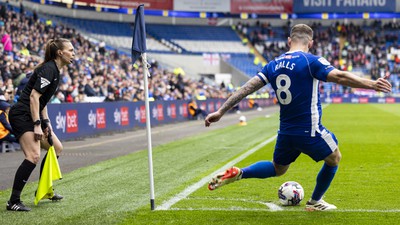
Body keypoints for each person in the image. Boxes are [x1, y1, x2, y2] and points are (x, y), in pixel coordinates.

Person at [205, 24, 392, 211]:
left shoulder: (273, 64)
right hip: (309, 129)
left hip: (285, 131)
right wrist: (372, 84)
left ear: (289, 41)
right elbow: (340, 77)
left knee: (278, 169)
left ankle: (240, 173)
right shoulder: (311, 61)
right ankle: (315, 201)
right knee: (334, 158)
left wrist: (220, 111)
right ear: (310, 43)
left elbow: (246, 88)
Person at [6, 38, 75, 211]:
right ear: (60, 52)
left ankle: (44, 189)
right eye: (71, 50)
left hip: (33, 114)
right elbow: (33, 97)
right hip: (22, 114)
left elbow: (42, 102)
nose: (74, 53)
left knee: (56, 147)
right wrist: (37, 124)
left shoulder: (56, 71)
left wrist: (47, 123)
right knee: (33, 156)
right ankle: (13, 201)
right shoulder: (49, 69)